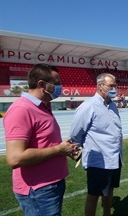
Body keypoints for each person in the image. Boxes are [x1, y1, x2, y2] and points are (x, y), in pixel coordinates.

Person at [3, 63, 79, 216]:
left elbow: (43, 142)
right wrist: (58, 149)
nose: (60, 87)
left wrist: (64, 149)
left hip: (50, 185)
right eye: (56, 83)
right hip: (39, 190)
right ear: (42, 84)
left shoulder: (43, 106)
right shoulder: (22, 109)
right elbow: (15, 158)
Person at [69, 73, 123, 216]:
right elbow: (75, 133)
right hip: (99, 160)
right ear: (100, 86)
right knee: (94, 195)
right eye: (111, 86)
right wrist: (81, 149)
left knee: (110, 189)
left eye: (115, 85)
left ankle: (107, 213)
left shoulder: (112, 105)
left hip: (114, 157)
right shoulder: (88, 106)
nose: (114, 88)